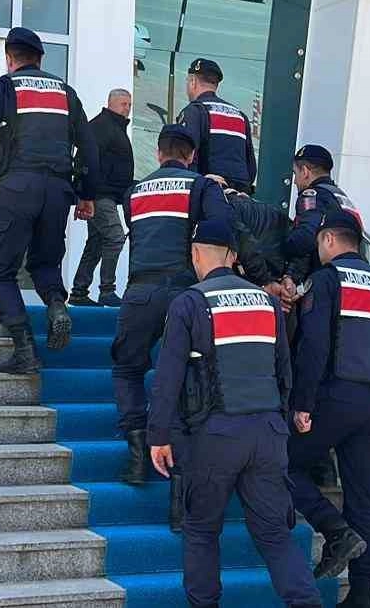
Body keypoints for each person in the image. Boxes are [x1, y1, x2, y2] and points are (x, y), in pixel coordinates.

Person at [147, 219, 320, 608]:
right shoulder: (267, 302)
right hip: (268, 432)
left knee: (201, 530)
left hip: (216, 435)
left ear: (195, 254)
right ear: (234, 256)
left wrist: (158, 435)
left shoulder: (190, 302)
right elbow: (284, 372)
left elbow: (168, 377)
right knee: (275, 535)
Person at [286, 209, 370, 608]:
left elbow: (314, 345)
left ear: (328, 239)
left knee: (278, 464)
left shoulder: (326, 280)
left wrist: (302, 402)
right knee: (364, 501)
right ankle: (362, 596)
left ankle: (334, 529)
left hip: (334, 397)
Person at [0, 27, 99, 375]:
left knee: (0, 270)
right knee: (45, 264)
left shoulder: (4, 87)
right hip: (57, 191)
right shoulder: (65, 92)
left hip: (18, 187)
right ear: (40, 59)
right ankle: (56, 305)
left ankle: (24, 348)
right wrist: (86, 194)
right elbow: (89, 146)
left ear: (10, 59)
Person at [113, 124, 229, 486]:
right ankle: (182, 464)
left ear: (159, 153)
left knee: (127, 369)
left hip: (140, 292)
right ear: (191, 155)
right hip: (185, 291)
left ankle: (137, 455)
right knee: (189, 370)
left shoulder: (134, 192)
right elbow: (222, 229)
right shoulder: (201, 186)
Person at [69, 88, 135, 307]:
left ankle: (79, 291)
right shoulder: (102, 126)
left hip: (104, 194)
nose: (127, 108)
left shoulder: (113, 127)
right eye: (123, 104)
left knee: (96, 242)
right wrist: (84, 194)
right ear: (111, 103)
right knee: (115, 238)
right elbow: (85, 160)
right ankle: (107, 290)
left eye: (129, 104)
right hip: (99, 195)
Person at [284, 144, 362, 287]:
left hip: (327, 278)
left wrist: (279, 245)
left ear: (305, 172)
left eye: (295, 173)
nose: (294, 181)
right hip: (352, 275)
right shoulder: (339, 196)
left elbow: (306, 237)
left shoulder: (311, 195)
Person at [175, 58, 257, 192]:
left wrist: (200, 182)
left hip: (208, 194)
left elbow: (183, 159)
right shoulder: (240, 116)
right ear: (216, 85)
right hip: (238, 197)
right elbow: (251, 169)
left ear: (193, 82)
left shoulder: (194, 111)